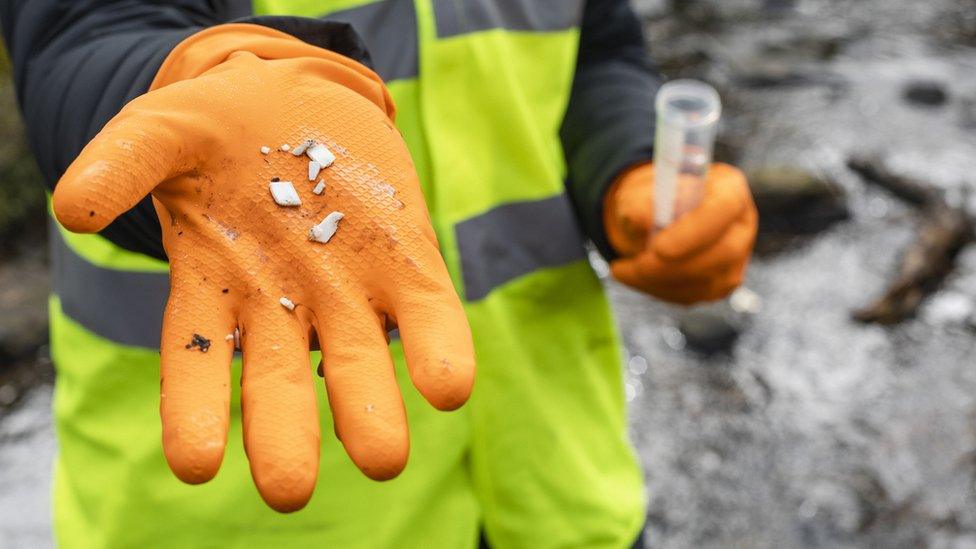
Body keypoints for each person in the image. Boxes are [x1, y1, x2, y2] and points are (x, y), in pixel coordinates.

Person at [0, 1, 757, 547]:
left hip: (561, 485)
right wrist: (190, 80)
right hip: (248, 517)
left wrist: (620, 167)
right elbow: (80, 34)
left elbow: (594, 44)